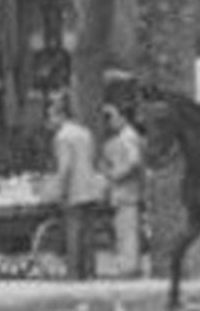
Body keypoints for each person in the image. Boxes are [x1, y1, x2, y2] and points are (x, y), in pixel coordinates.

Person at [44, 92, 106, 280]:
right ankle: (90, 271)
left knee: (73, 232)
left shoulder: (62, 137)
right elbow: (91, 159)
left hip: (74, 190)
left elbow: (65, 167)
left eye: (51, 116)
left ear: (61, 116)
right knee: (88, 232)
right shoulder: (85, 133)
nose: (50, 121)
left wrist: (58, 190)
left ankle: (73, 272)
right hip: (90, 187)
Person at [100, 102, 146, 278]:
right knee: (125, 229)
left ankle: (129, 267)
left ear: (123, 118)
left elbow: (134, 162)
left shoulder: (128, 137)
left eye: (112, 117)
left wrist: (115, 175)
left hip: (127, 192)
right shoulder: (126, 137)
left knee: (128, 231)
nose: (110, 122)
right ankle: (129, 265)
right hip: (125, 192)